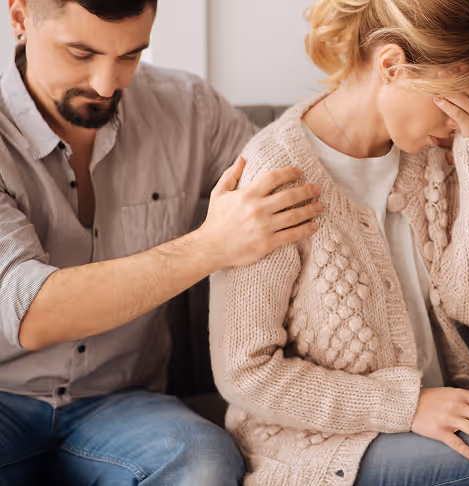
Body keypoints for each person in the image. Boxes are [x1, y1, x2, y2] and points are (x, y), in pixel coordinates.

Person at [209, 0, 469, 484]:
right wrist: (407, 405)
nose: (459, 122)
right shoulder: (273, 176)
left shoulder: (431, 154)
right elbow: (247, 374)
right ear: (392, 66)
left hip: (428, 436)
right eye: (455, 101)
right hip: (320, 453)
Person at [0, 1, 321, 484]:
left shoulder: (190, 108)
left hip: (123, 400)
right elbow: (31, 312)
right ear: (20, 18)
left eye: (130, 55)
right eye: (80, 53)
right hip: (5, 396)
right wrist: (211, 245)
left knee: (206, 465)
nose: (106, 85)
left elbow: (294, 192)